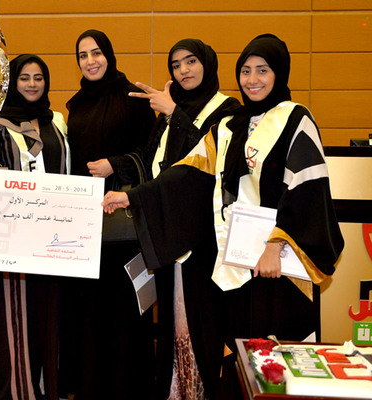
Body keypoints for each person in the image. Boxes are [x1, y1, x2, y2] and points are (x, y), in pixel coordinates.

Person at [102, 33, 344, 399]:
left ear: (279, 72)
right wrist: (132, 197)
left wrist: (275, 246)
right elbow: (186, 176)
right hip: (236, 263)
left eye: (262, 70)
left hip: (279, 263)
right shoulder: (230, 126)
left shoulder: (295, 119)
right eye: (245, 71)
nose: (252, 80)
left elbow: (307, 188)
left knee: (280, 355)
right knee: (239, 354)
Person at [91, 39, 241, 399]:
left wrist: (174, 113)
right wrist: (116, 166)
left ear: (207, 64)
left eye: (190, 61)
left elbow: (206, 164)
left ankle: (202, 391)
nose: (183, 70)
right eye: (176, 65)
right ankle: (177, 390)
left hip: (203, 238)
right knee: (172, 321)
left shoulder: (227, 110)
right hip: (167, 230)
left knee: (199, 320)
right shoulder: (171, 113)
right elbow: (151, 159)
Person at [64, 29, 156, 400]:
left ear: (109, 55)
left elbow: (151, 154)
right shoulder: (76, 105)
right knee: (89, 313)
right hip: (85, 228)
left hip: (123, 228)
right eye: (83, 55)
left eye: (96, 52)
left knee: (124, 313)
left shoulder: (132, 98)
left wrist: (114, 164)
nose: (90, 61)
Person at [0, 53, 70, 400]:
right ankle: (17, 391)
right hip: (14, 239)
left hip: (54, 237)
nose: (32, 84)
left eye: (38, 78)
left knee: (48, 313)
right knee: (16, 316)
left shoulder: (55, 122)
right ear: (12, 83)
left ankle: (46, 388)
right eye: (24, 77)